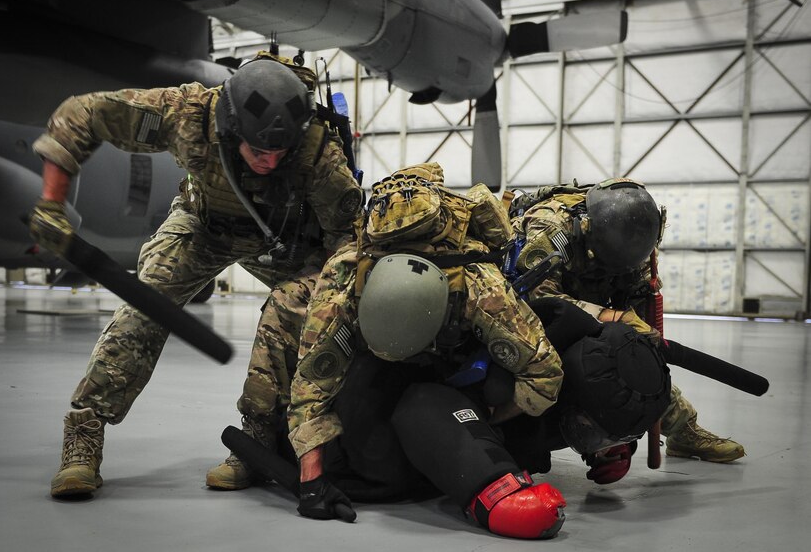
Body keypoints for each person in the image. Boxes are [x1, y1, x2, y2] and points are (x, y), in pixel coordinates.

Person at [28, 52, 364, 498]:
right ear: (232, 128)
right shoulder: (187, 114)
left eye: (279, 153)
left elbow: (347, 239)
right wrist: (51, 205)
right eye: (258, 150)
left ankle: (257, 444)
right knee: (145, 306)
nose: (269, 162)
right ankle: (84, 436)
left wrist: (319, 303)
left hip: (282, 240)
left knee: (297, 310)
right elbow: (81, 114)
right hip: (202, 226)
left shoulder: (317, 152)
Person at [285, 163, 570, 538]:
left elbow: (544, 372)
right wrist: (312, 482)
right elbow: (312, 380)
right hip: (372, 373)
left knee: (502, 387)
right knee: (372, 461)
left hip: (455, 372)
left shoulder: (477, 281)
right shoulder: (346, 273)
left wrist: (485, 420)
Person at [510, 178, 745, 463]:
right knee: (577, 367)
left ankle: (683, 431)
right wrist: (612, 316)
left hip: (589, 301)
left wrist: (643, 342)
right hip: (530, 314)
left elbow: (639, 318)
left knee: (637, 357)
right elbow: (539, 299)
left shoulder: (636, 238)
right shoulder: (550, 228)